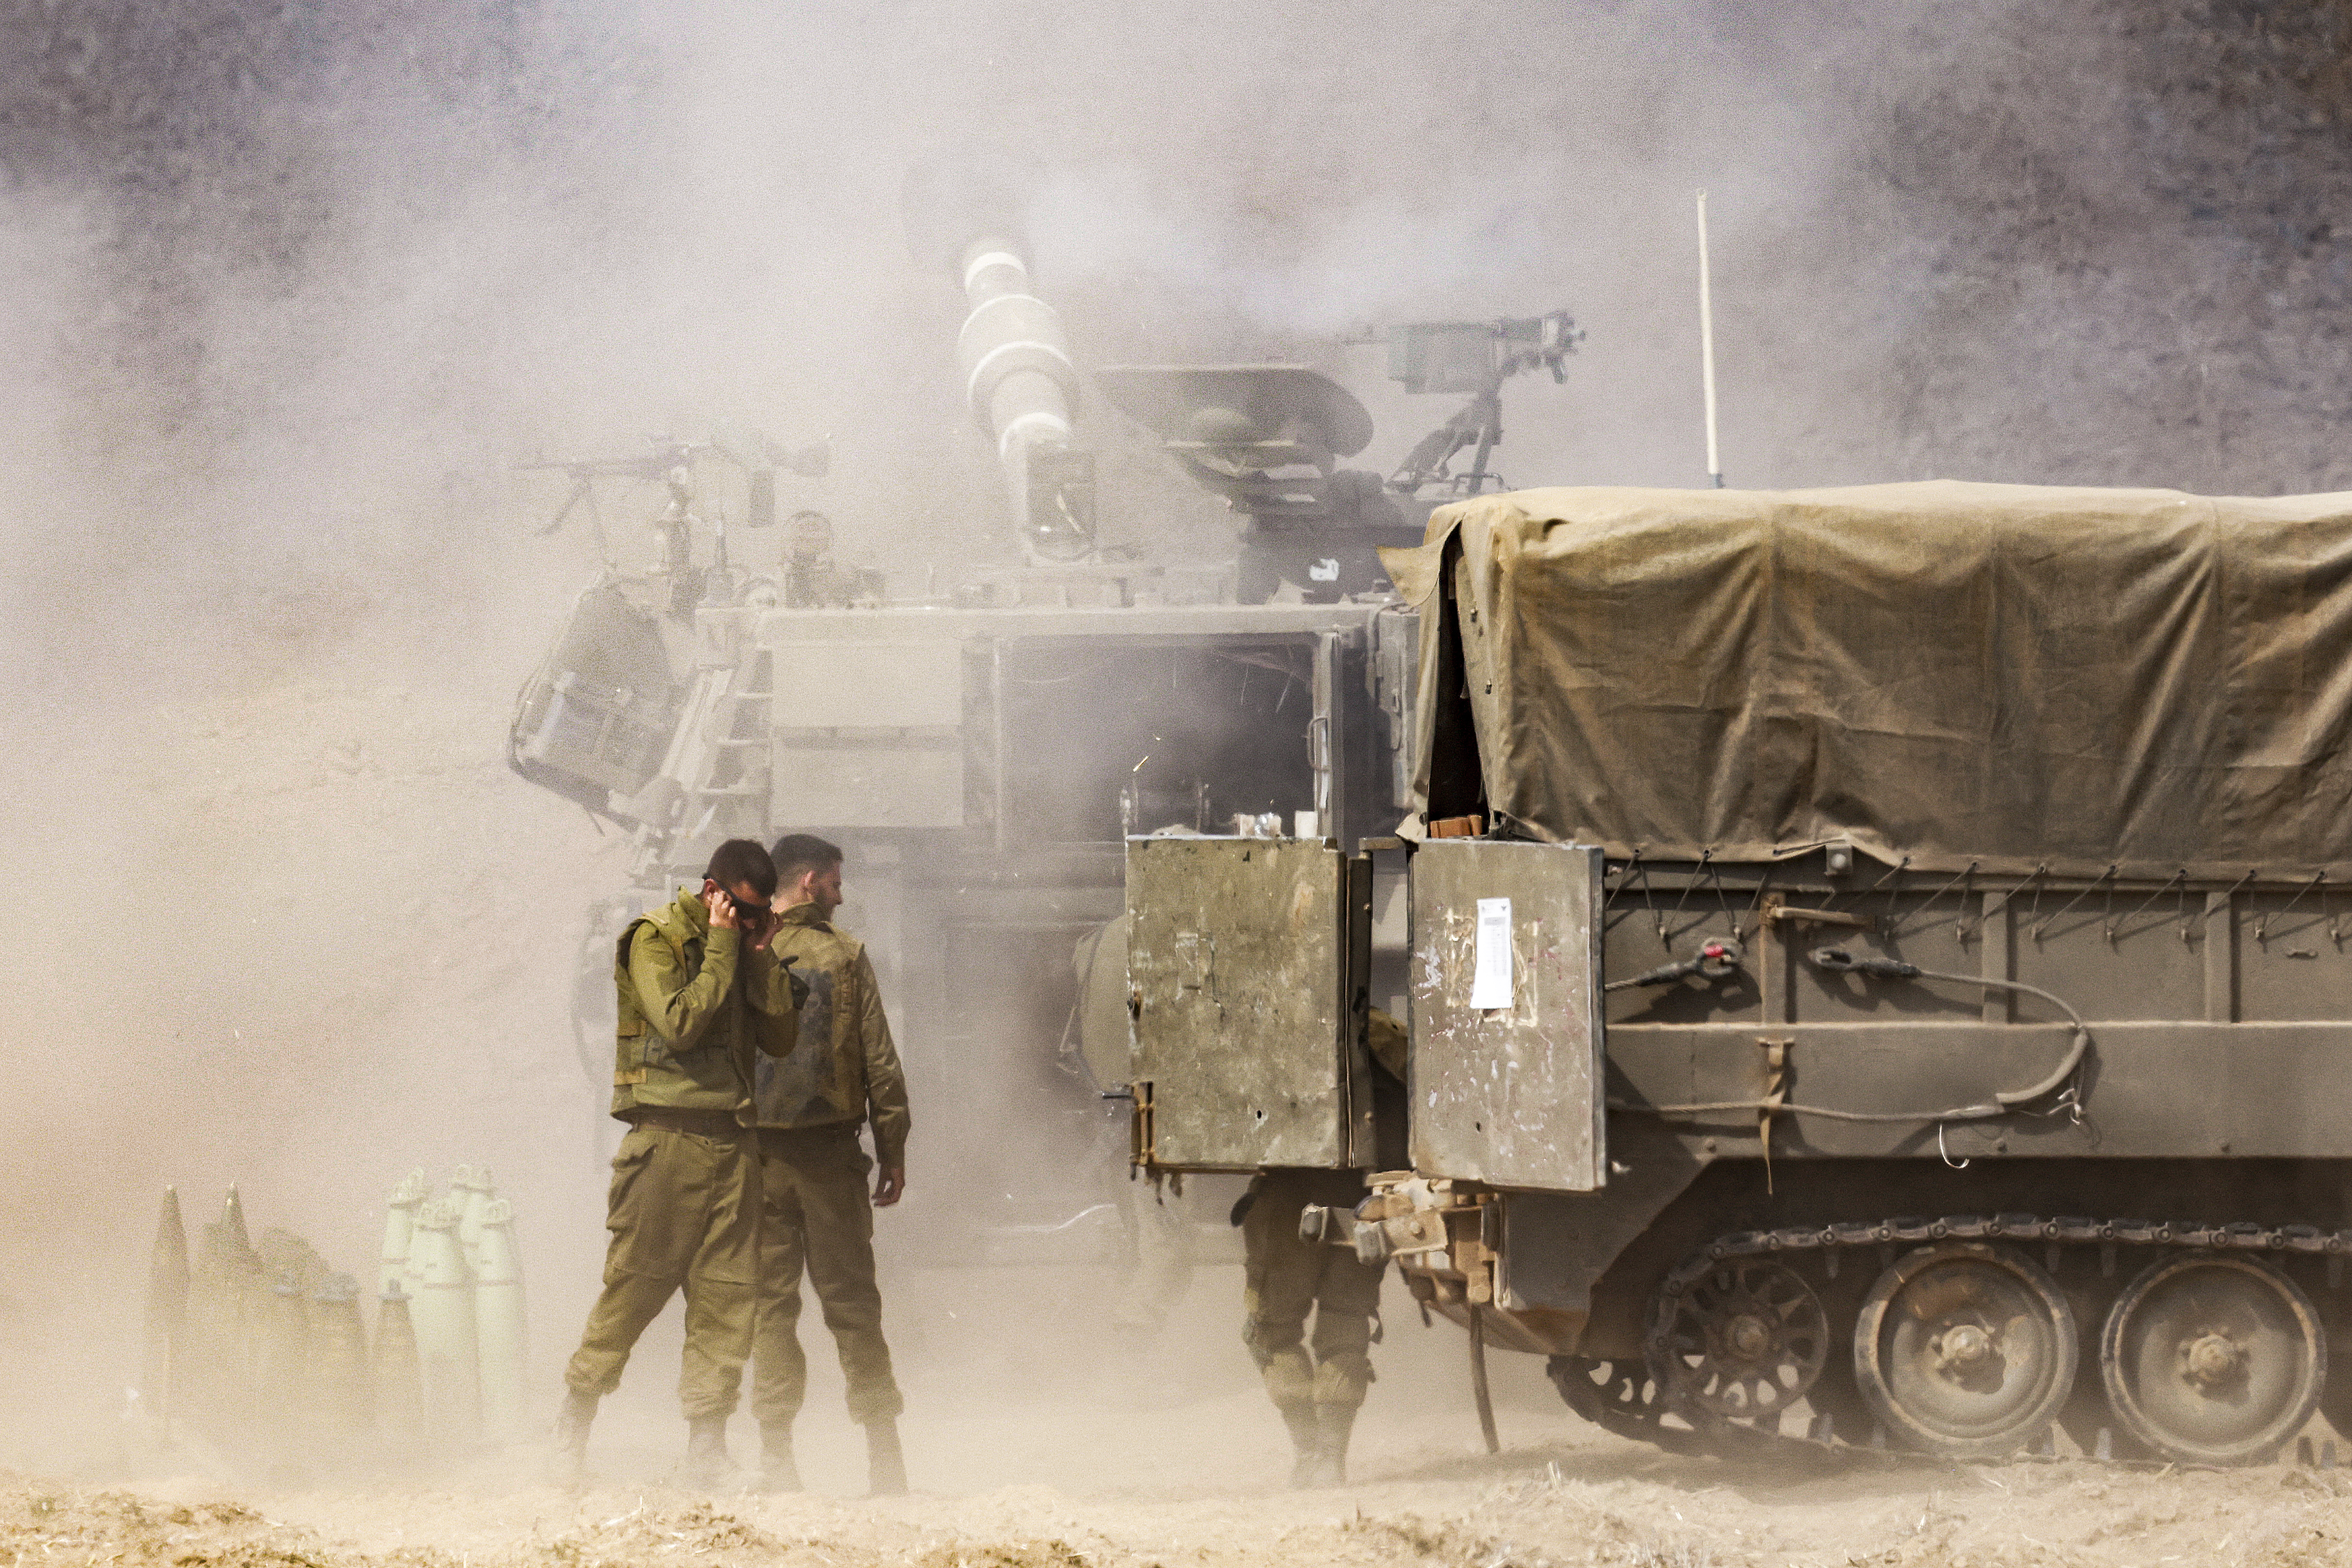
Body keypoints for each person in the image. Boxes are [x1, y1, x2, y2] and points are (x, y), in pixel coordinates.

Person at [552, 838, 806, 1486]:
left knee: (729, 1303)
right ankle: (571, 1431)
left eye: (760, 916)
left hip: (734, 1144)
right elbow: (681, 1025)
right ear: (713, 892)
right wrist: (726, 947)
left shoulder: (744, 946)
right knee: (633, 1293)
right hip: (666, 1144)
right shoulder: (655, 940)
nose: (752, 924)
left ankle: (706, 1451)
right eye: (743, 912)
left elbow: (780, 1037)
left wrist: (758, 957)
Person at [748, 833, 911, 1495]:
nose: (842, 898)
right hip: (830, 1163)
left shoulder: (739, 955)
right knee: (853, 1306)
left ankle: (776, 1460)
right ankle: (885, 1458)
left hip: (757, 1166)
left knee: (768, 1310)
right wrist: (893, 1149)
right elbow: (880, 1063)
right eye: (838, 885)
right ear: (812, 882)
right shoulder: (845, 957)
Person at [1238, 1008, 1406, 1488]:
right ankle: (1329, 1458)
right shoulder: (1383, 1031)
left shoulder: (1264, 1028)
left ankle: (1312, 1450)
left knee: (1272, 1327)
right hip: (1365, 1195)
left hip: (1293, 1194)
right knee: (1344, 1323)